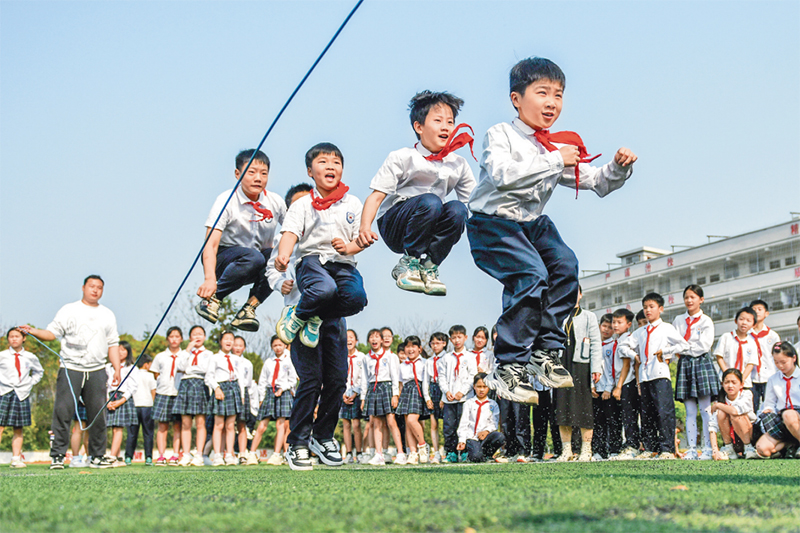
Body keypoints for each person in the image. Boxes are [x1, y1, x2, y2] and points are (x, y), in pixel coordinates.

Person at [466, 57, 636, 403]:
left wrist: (618, 169)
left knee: (565, 266)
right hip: (492, 223)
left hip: (532, 225)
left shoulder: (552, 146)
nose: (551, 103)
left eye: (558, 95)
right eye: (542, 92)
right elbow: (501, 175)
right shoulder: (500, 134)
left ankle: (545, 351)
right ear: (517, 98)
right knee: (530, 276)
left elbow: (596, 182)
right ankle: (508, 366)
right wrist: (556, 159)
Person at [275, 143, 369, 471]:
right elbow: (288, 236)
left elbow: (363, 235)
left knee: (338, 378)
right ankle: (297, 442)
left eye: (337, 161)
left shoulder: (352, 203)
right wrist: (284, 255)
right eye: (322, 161)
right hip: (303, 304)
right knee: (311, 379)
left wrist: (356, 243)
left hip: (332, 306)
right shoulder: (303, 205)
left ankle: (323, 435)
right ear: (310, 171)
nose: (331, 166)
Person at [357, 91, 476, 296]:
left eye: (450, 121)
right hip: (395, 224)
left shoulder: (458, 163)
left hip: (429, 224)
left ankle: (429, 265)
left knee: (458, 209)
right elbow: (376, 196)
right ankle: (408, 262)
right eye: (438, 120)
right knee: (431, 202)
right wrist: (364, 228)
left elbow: (475, 204)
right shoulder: (403, 157)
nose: (445, 126)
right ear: (419, 127)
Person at [20, 275, 121, 469]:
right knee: (63, 411)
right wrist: (33, 331)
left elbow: (113, 343)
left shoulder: (107, 314)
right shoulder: (69, 310)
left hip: (97, 369)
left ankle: (97, 456)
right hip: (71, 368)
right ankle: (58, 455)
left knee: (98, 414)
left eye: (99, 287)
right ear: (83, 288)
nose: (95, 290)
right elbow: (51, 333)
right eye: (91, 286)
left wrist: (116, 368)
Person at [195, 149, 287, 332]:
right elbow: (210, 245)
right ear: (238, 174)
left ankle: (249, 309)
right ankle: (213, 300)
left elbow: (292, 233)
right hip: (224, 258)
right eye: (251, 172)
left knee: (273, 256)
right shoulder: (226, 200)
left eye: (263, 173)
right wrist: (209, 279)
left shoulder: (275, 202)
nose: (258, 178)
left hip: (257, 261)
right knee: (254, 257)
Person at [619, 293, 689, 460]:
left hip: (660, 374)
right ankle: (650, 448)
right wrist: (633, 355)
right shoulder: (641, 331)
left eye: (652, 307)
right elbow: (623, 345)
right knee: (647, 413)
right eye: (645, 307)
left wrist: (665, 351)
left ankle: (667, 449)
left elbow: (684, 345)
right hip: (644, 376)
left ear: (661, 309)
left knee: (664, 412)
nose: (648, 310)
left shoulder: (666, 328)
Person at [553, 287, 602, 462]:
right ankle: (566, 450)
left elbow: (596, 343)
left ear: (581, 295)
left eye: (576, 292)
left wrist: (596, 368)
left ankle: (586, 449)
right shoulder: (556, 316)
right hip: (561, 364)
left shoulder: (589, 316)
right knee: (562, 407)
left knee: (583, 407)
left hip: (581, 364)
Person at [672, 285, 718, 461]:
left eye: (693, 297)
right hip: (685, 364)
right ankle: (691, 449)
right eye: (686, 297)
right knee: (690, 410)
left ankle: (707, 448)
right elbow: (675, 343)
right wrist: (684, 348)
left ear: (701, 299)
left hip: (702, 363)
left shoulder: (706, 321)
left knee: (706, 410)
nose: (689, 301)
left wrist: (684, 347)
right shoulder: (678, 320)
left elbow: (704, 346)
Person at [0, 328, 44, 468]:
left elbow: (39, 372)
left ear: (23, 339)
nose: (14, 339)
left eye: (17, 336)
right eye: (11, 337)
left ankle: (16, 459)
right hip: (4, 392)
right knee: (0, 427)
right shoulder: (2, 356)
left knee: (18, 428)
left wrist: (30, 383)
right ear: (8, 339)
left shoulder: (30, 357)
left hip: (21, 393)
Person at [251, 336, 296, 466]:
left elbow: (293, 380)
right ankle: (252, 453)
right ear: (272, 346)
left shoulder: (289, 361)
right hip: (270, 393)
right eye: (275, 345)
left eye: (280, 345)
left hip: (284, 392)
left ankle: (277, 455)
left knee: (280, 425)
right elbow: (262, 381)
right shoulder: (268, 362)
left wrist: (283, 389)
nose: (278, 347)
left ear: (285, 346)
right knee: (262, 425)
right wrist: (261, 398)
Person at [752, 342, 800, 459]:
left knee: (789, 415)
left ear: (794, 358)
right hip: (781, 420)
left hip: (796, 417)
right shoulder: (773, 379)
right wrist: (768, 410)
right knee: (762, 449)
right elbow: (769, 403)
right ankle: (792, 444)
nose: (780, 366)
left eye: (783, 362)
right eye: (776, 362)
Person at [172, 325, 212, 467]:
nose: (197, 337)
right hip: (185, 384)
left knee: (200, 422)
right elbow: (181, 367)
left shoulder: (208, 354)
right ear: (190, 338)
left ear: (204, 337)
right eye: (194, 334)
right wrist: (187, 350)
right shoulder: (184, 353)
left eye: (200, 334)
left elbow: (205, 370)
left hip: (200, 383)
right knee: (185, 423)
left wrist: (192, 368)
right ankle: (186, 454)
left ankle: (199, 454)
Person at [360, 329, 400, 466]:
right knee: (376, 423)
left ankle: (400, 453)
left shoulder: (389, 356)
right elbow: (364, 378)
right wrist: (363, 397)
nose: (374, 339)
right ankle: (379, 454)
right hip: (373, 388)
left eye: (377, 337)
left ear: (382, 340)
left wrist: (395, 394)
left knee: (390, 421)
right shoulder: (366, 358)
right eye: (371, 337)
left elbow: (395, 376)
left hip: (386, 387)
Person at [439, 325, 477, 462]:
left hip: (465, 398)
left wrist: (462, 392)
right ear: (450, 339)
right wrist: (446, 391)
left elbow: (473, 376)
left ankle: (466, 452)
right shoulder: (446, 358)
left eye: (459, 337)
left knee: (465, 425)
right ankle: (451, 453)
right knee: (449, 427)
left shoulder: (470, 357)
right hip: (449, 399)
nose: (457, 340)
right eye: (454, 338)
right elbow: (441, 376)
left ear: (465, 338)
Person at [607, 309, 640, 460]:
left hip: (627, 383)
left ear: (628, 324)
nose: (615, 325)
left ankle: (632, 446)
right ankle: (621, 446)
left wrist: (619, 386)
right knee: (619, 417)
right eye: (614, 322)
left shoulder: (627, 340)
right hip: (619, 383)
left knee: (629, 416)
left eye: (619, 322)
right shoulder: (618, 340)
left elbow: (626, 365)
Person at [205, 331, 242, 466]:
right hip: (221, 389)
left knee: (231, 425)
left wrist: (241, 395)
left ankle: (229, 454)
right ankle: (218, 455)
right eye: (226, 339)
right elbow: (209, 377)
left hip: (233, 389)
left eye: (231, 339)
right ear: (221, 341)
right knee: (219, 425)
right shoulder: (214, 358)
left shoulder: (236, 359)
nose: (229, 341)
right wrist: (216, 388)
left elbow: (240, 378)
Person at [151, 326, 185, 466]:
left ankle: (176, 455)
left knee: (178, 425)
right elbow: (155, 373)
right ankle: (161, 455)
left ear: (181, 339)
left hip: (178, 393)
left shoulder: (185, 355)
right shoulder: (160, 356)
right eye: (171, 336)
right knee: (162, 426)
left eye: (177, 336)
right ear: (167, 339)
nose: (174, 339)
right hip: (163, 392)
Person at [395, 336, 430, 465]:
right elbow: (400, 383)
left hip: (418, 390)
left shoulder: (425, 363)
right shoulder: (402, 366)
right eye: (408, 346)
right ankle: (413, 453)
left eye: (413, 346)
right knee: (408, 425)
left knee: (412, 420)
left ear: (419, 349)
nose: (410, 349)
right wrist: (398, 396)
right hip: (406, 391)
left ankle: (422, 447)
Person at [709, 369, 757, 460]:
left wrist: (718, 405)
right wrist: (715, 450)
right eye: (727, 382)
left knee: (736, 416)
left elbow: (735, 411)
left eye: (734, 382)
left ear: (741, 384)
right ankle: (729, 449)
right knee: (721, 413)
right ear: (722, 384)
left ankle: (749, 448)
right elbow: (712, 427)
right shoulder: (720, 399)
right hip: (733, 438)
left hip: (750, 434)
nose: (730, 385)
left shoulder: (747, 394)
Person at [456, 373, 505, 463]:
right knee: (476, 457)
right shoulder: (468, 403)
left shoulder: (493, 404)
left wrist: (486, 431)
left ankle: (487, 455)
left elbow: (494, 423)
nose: (481, 390)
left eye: (484, 386)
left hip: (486, 437)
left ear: (489, 387)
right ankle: (472, 455)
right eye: (479, 386)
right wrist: (462, 440)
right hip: (472, 437)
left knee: (500, 437)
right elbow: (464, 423)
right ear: (474, 386)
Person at [105, 341, 138, 467]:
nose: (120, 352)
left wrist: (121, 401)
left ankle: (112, 456)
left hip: (123, 397)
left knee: (118, 428)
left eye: (123, 350)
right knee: (112, 428)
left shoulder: (132, 368)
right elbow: (104, 384)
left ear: (128, 352)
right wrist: (107, 400)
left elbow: (133, 387)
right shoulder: (107, 367)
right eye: (118, 349)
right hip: (109, 397)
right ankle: (118, 457)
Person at [714, 308, 758, 389]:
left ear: (754, 325)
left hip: (744, 384)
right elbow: (719, 356)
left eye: (748, 320)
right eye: (741, 319)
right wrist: (727, 375)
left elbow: (751, 363)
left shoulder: (752, 343)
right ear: (735, 320)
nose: (744, 323)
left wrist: (741, 380)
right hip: (725, 382)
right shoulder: (726, 337)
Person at [749, 299, 781, 413]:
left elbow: (777, 357)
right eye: (754, 310)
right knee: (752, 409)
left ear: (766, 313)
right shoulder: (746, 335)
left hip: (769, 377)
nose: (757, 312)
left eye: (760, 309)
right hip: (751, 378)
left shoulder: (773, 336)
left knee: (770, 407)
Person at [592, 314, 617, 459]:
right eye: (604, 326)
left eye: (610, 327)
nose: (606, 330)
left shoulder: (613, 345)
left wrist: (608, 388)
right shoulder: (593, 346)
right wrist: (591, 386)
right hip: (595, 390)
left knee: (612, 421)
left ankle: (613, 449)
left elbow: (612, 369)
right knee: (597, 422)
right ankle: (598, 451)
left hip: (609, 390)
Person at [340, 329, 365, 464]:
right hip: (344, 394)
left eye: (351, 337)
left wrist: (355, 393)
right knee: (346, 424)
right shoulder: (340, 356)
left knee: (356, 424)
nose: (348, 340)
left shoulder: (361, 357)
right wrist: (343, 393)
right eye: (346, 337)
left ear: (356, 340)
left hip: (357, 394)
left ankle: (359, 453)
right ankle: (349, 453)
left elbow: (363, 377)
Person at [125, 353, 156, 466]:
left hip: (134, 405)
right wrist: (153, 403)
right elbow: (153, 391)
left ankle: (128, 457)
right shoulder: (150, 376)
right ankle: (148, 457)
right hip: (147, 406)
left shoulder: (133, 374)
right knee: (148, 433)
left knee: (132, 433)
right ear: (147, 364)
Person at [423, 332, 448, 464]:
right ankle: (437, 453)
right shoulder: (429, 361)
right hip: (433, 389)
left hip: (445, 390)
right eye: (433, 343)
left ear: (444, 343)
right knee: (434, 424)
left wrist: (444, 396)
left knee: (448, 423)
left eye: (438, 343)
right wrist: (427, 398)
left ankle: (451, 451)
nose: (435, 346)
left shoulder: (448, 358)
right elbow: (425, 381)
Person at [232, 335, 256, 464]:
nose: (237, 348)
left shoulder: (248, 363)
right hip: (230, 390)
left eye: (240, 345)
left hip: (244, 393)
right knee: (229, 424)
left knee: (242, 424)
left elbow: (250, 382)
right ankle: (229, 453)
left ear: (244, 348)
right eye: (235, 345)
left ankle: (242, 453)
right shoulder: (228, 360)